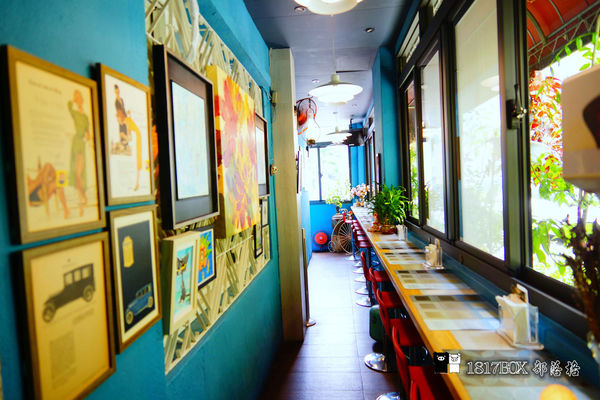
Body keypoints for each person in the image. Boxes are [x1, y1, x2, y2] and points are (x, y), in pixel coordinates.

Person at [68, 89, 90, 217]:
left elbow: (88, 134)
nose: (78, 100)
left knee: (80, 173)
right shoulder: (75, 113)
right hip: (76, 143)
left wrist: (87, 137)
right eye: (77, 98)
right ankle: (82, 201)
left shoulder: (85, 117)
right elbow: (69, 106)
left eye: (79, 98)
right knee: (77, 173)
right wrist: (73, 99)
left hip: (82, 143)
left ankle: (83, 197)